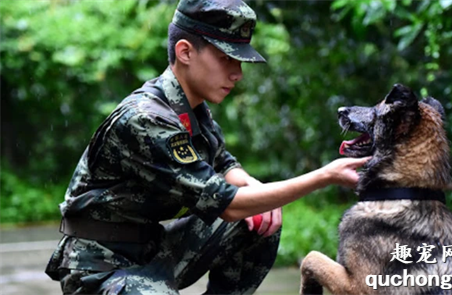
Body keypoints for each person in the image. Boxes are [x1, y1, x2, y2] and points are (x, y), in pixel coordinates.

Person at [45, 0, 370, 294]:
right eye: (226, 59)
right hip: (100, 268)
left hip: (153, 250)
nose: (237, 74)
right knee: (246, 208)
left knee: (261, 219)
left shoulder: (191, 109)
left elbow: (225, 164)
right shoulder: (146, 119)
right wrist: (325, 176)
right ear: (185, 52)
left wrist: (253, 185)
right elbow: (226, 204)